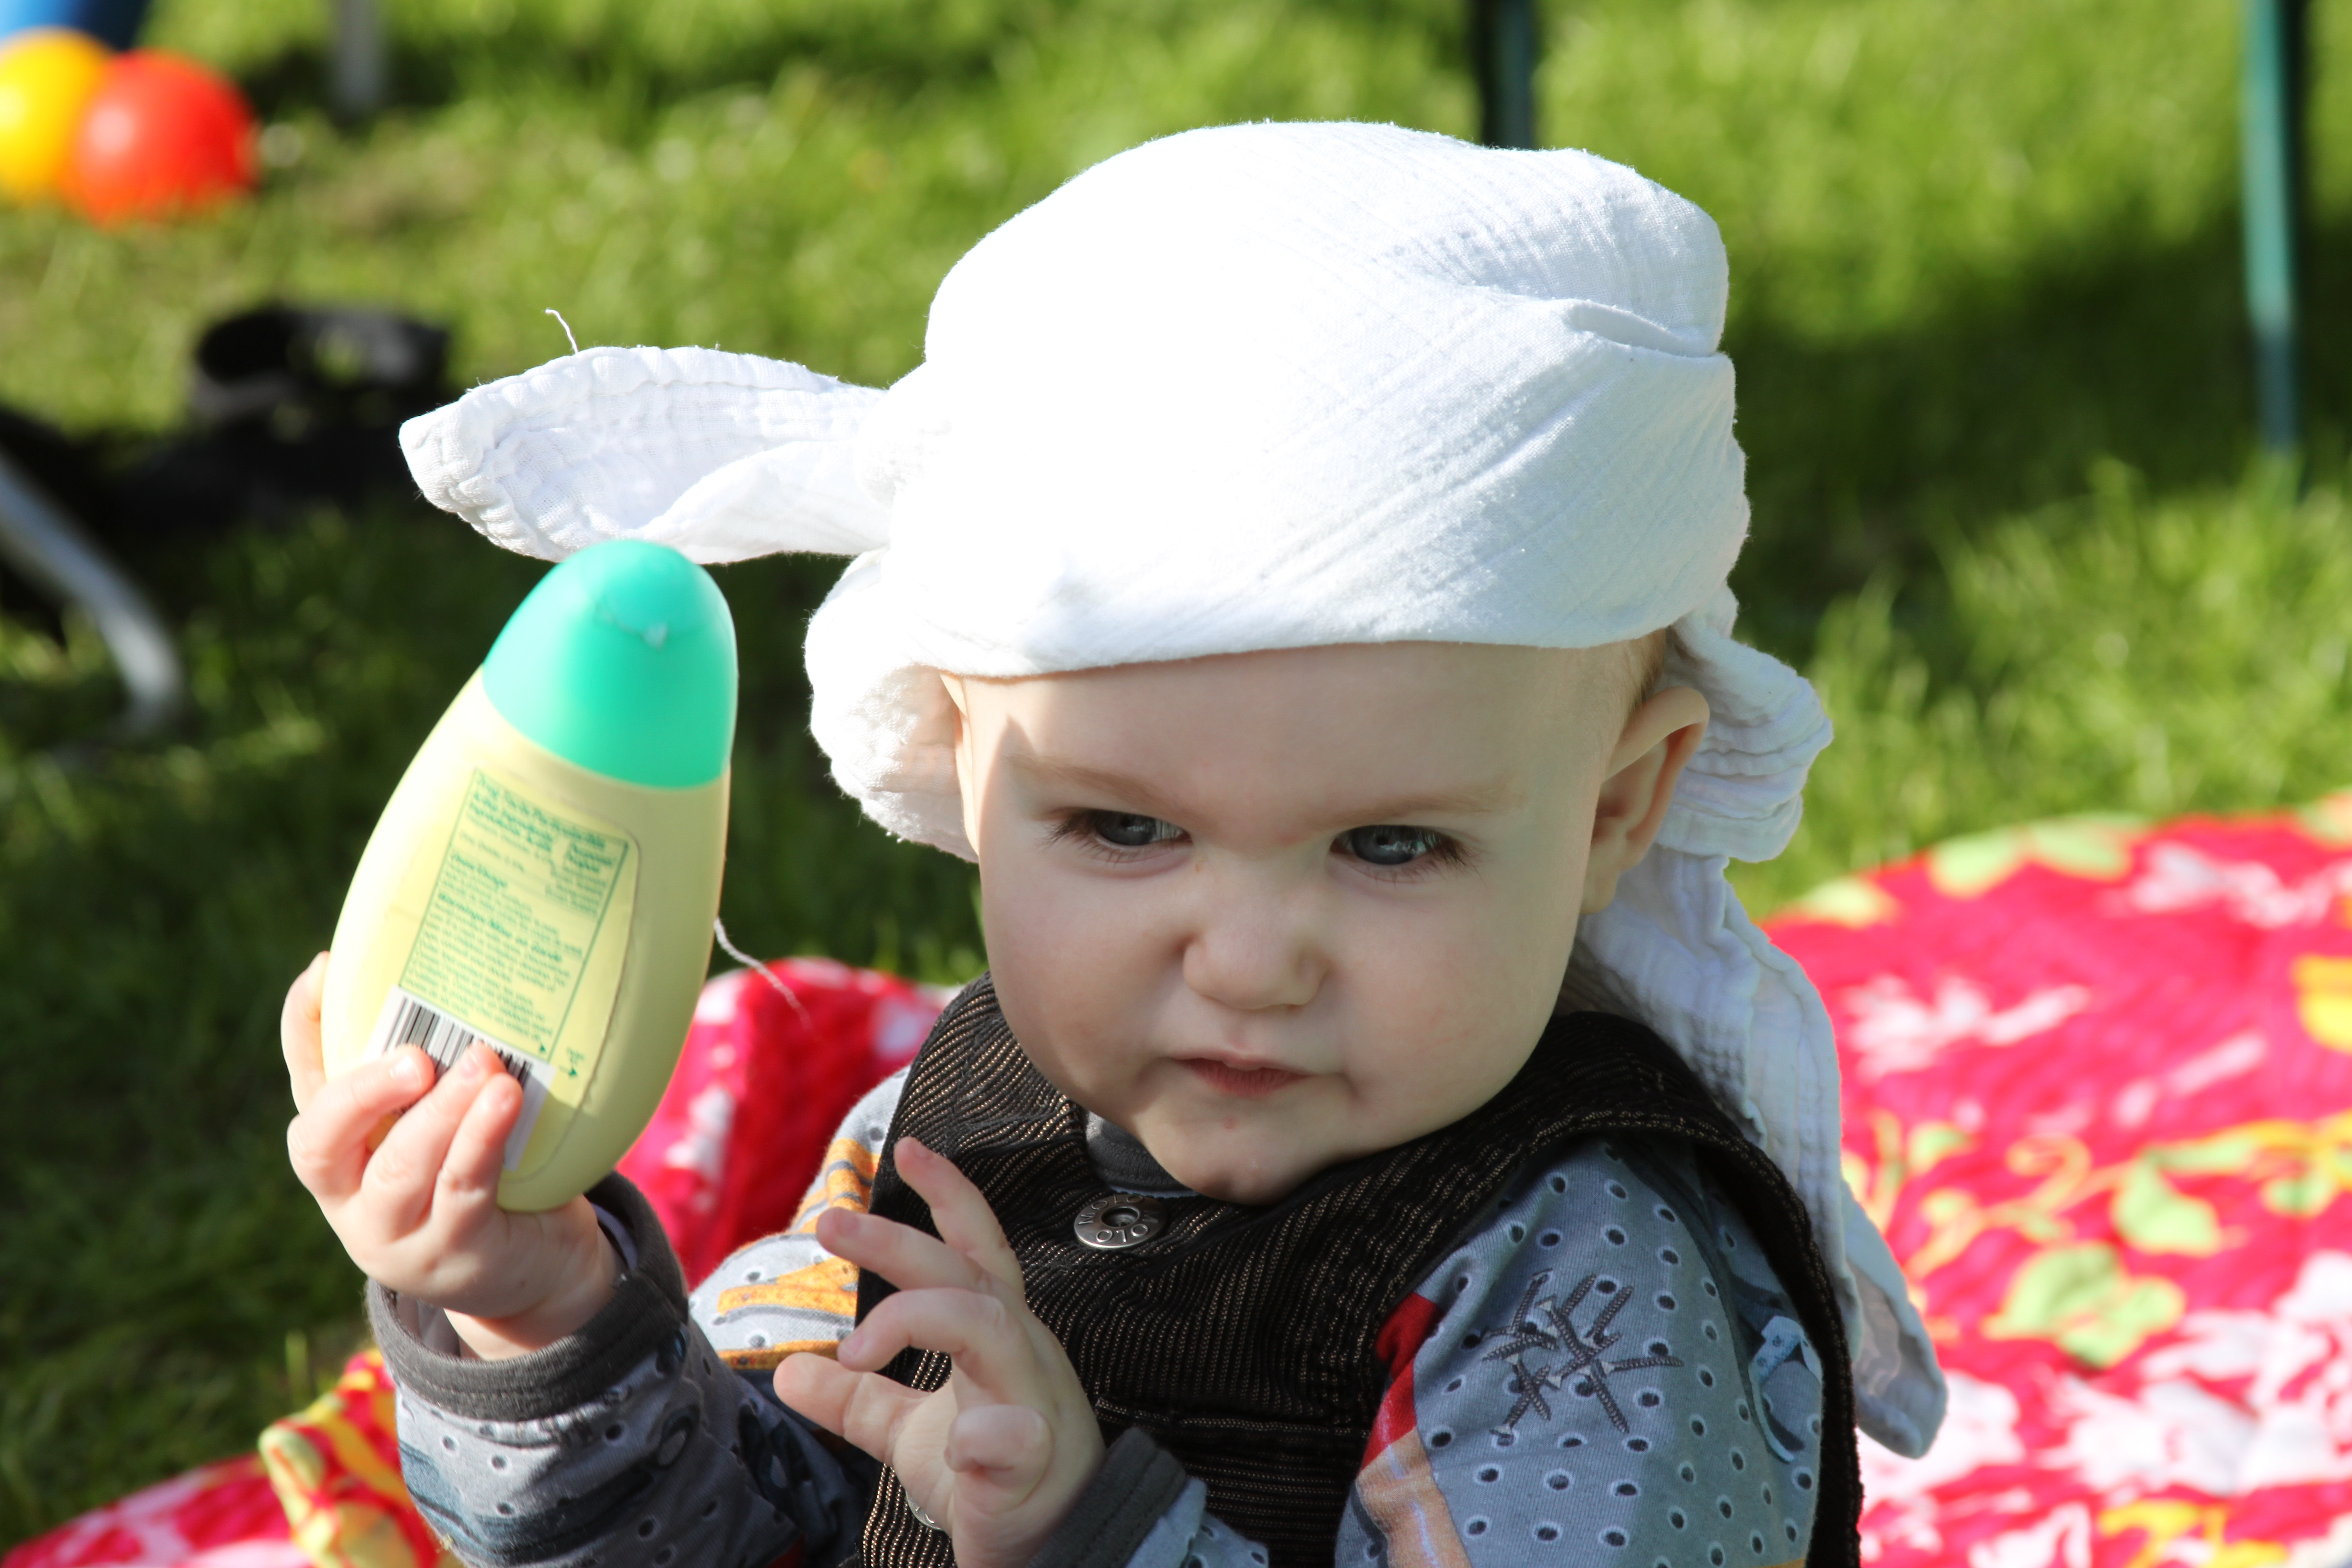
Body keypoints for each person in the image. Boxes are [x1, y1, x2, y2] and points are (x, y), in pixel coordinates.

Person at [278, 121, 1946, 1568]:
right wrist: (538, 1310)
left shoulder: (1586, 1287)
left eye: (1389, 846)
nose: (1249, 962)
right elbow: (739, 1534)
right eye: (1129, 827)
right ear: (960, 763)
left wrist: (1090, 1530)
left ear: (1616, 809)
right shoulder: (937, 1141)